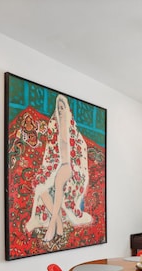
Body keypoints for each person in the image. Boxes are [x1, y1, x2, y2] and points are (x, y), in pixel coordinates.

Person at [25, 95, 92, 241]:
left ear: (67, 109)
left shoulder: (72, 129)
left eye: (63, 108)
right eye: (59, 108)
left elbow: (81, 147)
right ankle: (58, 221)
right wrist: (51, 164)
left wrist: (76, 163)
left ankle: (52, 225)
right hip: (56, 164)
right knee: (39, 185)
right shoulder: (53, 126)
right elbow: (50, 149)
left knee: (58, 183)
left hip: (70, 166)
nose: (61, 110)